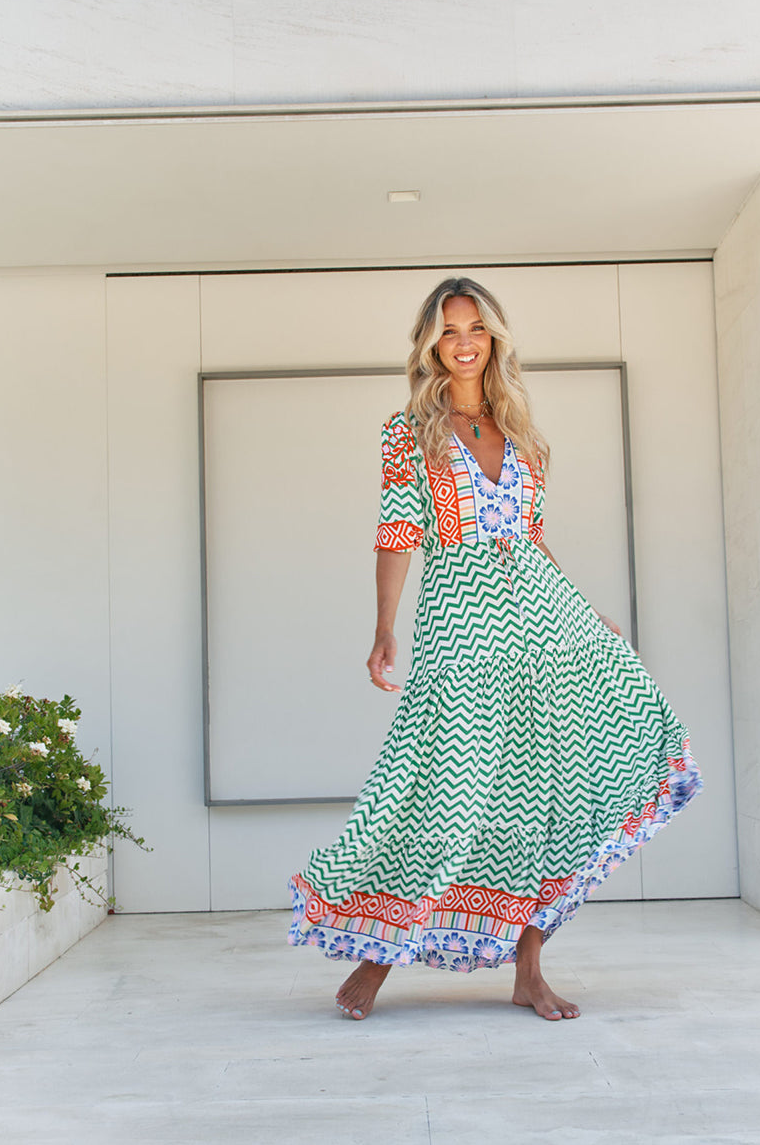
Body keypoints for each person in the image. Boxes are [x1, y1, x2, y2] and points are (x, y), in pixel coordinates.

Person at [288, 276, 703, 1022]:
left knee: (546, 794)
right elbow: (396, 534)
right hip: (461, 621)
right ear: (431, 345)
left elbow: (532, 541)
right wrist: (385, 628)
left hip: (543, 620)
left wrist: (587, 610)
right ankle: (377, 958)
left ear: (495, 338)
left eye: (475, 328)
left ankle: (529, 969)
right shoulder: (407, 432)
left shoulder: (523, 434)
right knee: (441, 790)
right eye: (449, 331)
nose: (465, 342)